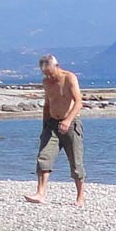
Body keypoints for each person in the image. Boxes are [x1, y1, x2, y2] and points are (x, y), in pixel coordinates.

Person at [27, 53, 85, 204]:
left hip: (71, 124)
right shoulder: (46, 82)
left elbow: (79, 102)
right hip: (52, 124)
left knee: (75, 162)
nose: (49, 77)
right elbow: (47, 104)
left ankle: (80, 197)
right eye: (45, 74)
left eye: (50, 73)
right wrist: (44, 127)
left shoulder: (69, 78)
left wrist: (67, 120)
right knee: (43, 157)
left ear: (57, 67)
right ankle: (40, 193)